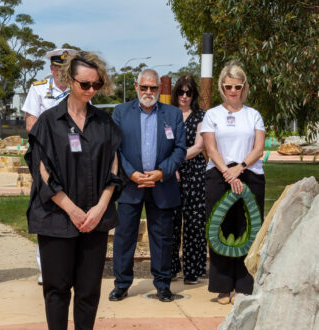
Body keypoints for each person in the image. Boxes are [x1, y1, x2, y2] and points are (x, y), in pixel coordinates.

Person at [26, 51, 121, 330]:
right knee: (57, 286)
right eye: (85, 84)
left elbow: (114, 169)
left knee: (89, 287)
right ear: (68, 81)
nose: (91, 90)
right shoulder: (48, 123)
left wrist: (99, 208)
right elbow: (42, 172)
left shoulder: (105, 124)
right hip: (56, 216)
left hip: (95, 218)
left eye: (97, 84)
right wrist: (72, 208)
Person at [110, 69, 186, 303]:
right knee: (124, 237)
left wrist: (162, 172)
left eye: (153, 88)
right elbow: (115, 148)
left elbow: (180, 149)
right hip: (130, 186)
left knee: (162, 237)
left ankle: (163, 285)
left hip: (161, 186)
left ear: (159, 90)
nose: (149, 92)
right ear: (136, 86)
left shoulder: (172, 115)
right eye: (144, 87)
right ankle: (121, 284)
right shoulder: (121, 112)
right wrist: (131, 173)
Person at [200, 63, 265, 305]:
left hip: (249, 173)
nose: (233, 91)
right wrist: (228, 172)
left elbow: (258, 148)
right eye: (229, 86)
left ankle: (243, 285)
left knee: (247, 230)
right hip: (220, 174)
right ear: (222, 87)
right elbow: (210, 147)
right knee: (220, 229)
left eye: (238, 86)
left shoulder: (253, 115)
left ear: (244, 87)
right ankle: (222, 287)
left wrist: (240, 168)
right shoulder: (212, 115)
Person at [22, 48, 77, 285]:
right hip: (46, 158)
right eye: (59, 69)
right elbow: (30, 123)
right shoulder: (38, 89)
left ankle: (72, 265)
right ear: (52, 69)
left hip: (74, 159)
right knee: (46, 209)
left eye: (68, 69)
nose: (63, 73)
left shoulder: (79, 88)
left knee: (73, 206)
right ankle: (45, 269)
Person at [170, 75, 207, 284]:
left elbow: (199, 146)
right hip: (171, 174)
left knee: (194, 223)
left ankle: (193, 270)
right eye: (181, 92)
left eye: (189, 92)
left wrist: (175, 159)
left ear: (193, 95)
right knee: (171, 222)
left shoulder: (201, 116)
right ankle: (172, 267)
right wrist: (170, 166)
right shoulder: (168, 114)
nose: (184, 96)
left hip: (194, 174)